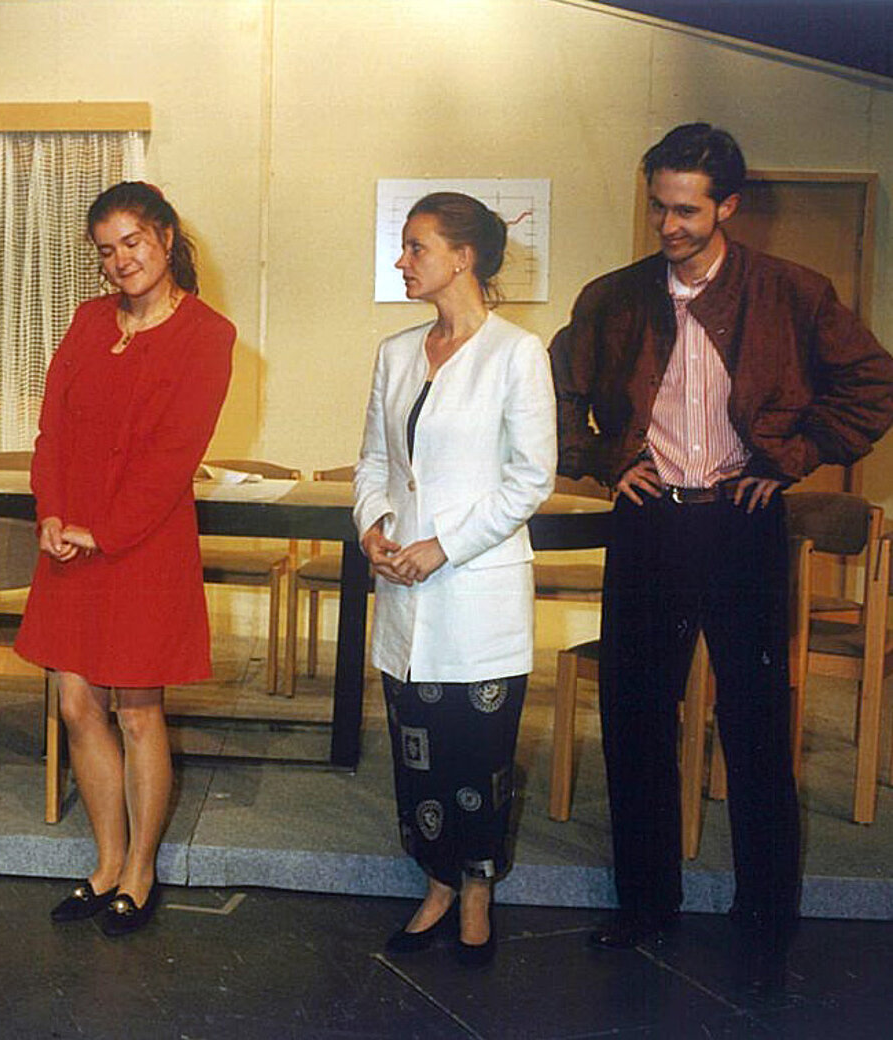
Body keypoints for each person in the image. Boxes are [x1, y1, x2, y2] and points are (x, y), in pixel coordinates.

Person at [551, 123, 893, 995]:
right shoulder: (614, 297)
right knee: (634, 716)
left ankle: (766, 913)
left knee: (755, 721)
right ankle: (644, 905)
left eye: (687, 211)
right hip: (648, 524)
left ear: (728, 207)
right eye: (658, 207)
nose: (668, 225)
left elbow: (874, 382)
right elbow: (553, 391)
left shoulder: (793, 291)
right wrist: (604, 461)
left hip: (742, 524)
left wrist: (792, 458)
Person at [14, 182, 234, 937]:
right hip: (68, 541)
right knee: (77, 705)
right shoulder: (86, 321)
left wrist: (101, 532)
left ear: (166, 237)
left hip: (140, 545)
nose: (120, 261)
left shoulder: (208, 335)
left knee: (138, 713)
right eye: (106, 250)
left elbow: (175, 456)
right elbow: (51, 430)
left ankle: (141, 870)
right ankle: (106, 863)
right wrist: (50, 511)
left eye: (132, 242)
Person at [354, 192, 556, 968]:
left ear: (463, 258)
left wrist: (444, 546)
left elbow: (530, 478)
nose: (402, 261)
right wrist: (373, 526)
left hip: (474, 588)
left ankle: (476, 892)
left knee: (478, 756)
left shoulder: (516, 353)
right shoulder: (397, 352)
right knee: (417, 754)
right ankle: (436, 883)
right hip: (402, 589)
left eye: (417, 247)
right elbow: (375, 460)